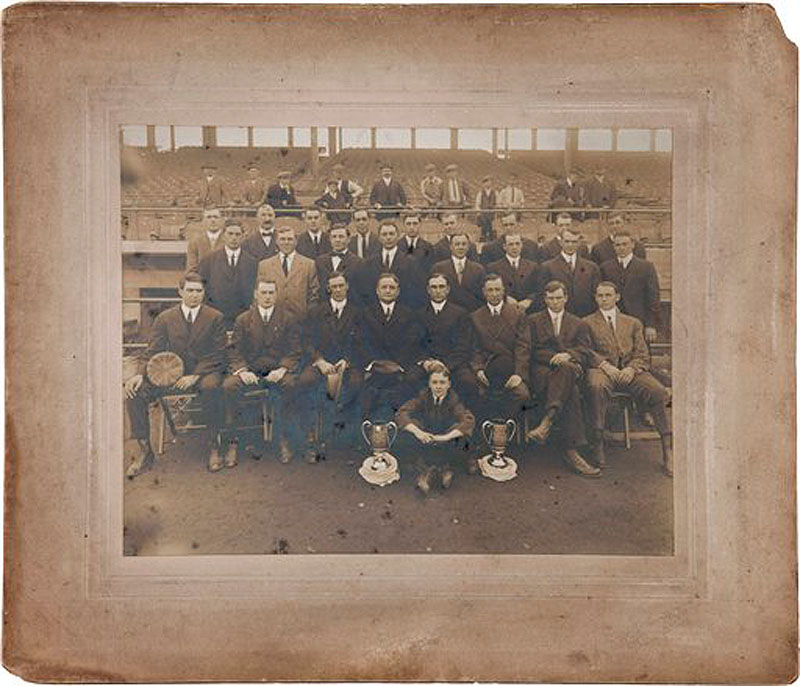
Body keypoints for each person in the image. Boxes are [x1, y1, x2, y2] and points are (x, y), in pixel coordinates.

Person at [123, 272, 227, 476]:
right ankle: (145, 451)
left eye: (199, 291)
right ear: (180, 291)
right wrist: (139, 375)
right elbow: (152, 350)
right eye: (190, 290)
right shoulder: (165, 318)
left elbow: (219, 354)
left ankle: (214, 446)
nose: (194, 295)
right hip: (171, 372)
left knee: (212, 387)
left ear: (204, 293)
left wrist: (195, 375)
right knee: (135, 391)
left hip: (205, 371)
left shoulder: (215, 317)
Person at [582, 281, 673, 475]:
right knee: (596, 386)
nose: (604, 299)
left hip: (630, 371)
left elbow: (642, 354)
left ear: (617, 297)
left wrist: (631, 369)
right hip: (602, 370)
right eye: (599, 296)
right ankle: (597, 444)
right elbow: (587, 351)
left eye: (608, 295)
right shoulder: (587, 322)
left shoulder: (632, 322)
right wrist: (605, 366)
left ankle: (667, 449)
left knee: (657, 391)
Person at [224, 279, 303, 465]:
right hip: (252, 372)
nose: (267, 297)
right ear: (256, 294)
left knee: (291, 384)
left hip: (277, 371)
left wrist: (283, 369)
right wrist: (242, 370)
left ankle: (284, 440)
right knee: (229, 386)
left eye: (271, 293)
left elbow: (295, 349)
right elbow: (234, 350)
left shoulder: (288, 318)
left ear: (276, 295)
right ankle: (233, 443)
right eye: (263, 293)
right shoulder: (243, 319)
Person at [526, 280, 600, 477]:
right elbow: (529, 349)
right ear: (544, 299)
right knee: (572, 392)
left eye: (559, 298)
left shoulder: (578, 323)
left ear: (566, 298)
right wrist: (552, 358)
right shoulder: (533, 320)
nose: (555, 302)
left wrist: (568, 355)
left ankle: (547, 423)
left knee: (567, 368)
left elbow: (585, 351)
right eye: (550, 298)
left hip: (570, 369)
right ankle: (571, 451)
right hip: (543, 372)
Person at [295, 271, 364, 458]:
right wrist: (319, 360)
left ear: (347, 286)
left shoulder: (357, 312)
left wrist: (347, 360)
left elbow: (361, 341)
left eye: (341, 285)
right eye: (334, 286)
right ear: (328, 289)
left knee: (358, 384)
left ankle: (348, 437)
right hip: (321, 361)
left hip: (347, 363)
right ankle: (310, 436)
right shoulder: (316, 312)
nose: (338, 290)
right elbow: (307, 340)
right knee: (304, 381)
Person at [396, 365, 475, 495]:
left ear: (449, 384)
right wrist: (418, 432)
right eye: (435, 382)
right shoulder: (423, 397)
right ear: (429, 384)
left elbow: (468, 420)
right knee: (411, 426)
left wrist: (445, 437)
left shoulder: (453, 400)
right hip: (425, 439)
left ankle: (442, 469)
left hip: (444, 441)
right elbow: (401, 413)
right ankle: (429, 471)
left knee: (460, 433)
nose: (438, 386)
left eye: (442, 382)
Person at [360, 273, 423, 420]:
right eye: (384, 287)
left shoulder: (409, 314)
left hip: (399, 367)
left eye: (392, 287)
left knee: (406, 388)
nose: (388, 291)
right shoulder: (366, 313)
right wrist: (375, 363)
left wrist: (397, 364)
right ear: (377, 290)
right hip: (374, 367)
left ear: (398, 291)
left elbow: (412, 343)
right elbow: (361, 341)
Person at [469, 274, 531, 421]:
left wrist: (518, 374)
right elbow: (474, 348)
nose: (494, 294)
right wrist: (478, 370)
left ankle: (506, 430)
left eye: (498, 289)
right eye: (490, 290)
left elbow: (523, 347)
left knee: (522, 394)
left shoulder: (517, 314)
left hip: (511, 370)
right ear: (484, 292)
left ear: (503, 291)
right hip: (487, 370)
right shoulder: (475, 317)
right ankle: (488, 434)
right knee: (476, 392)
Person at [416, 272, 480, 410]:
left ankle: (468, 427)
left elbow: (463, 346)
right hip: (428, 363)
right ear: (428, 290)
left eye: (441, 287)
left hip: (453, 363)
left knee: (469, 383)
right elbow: (415, 343)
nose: (438, 291)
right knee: (410, 380)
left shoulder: (460, 313)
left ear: (448, 289)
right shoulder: (419, 313)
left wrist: (446, 365)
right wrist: (426, 362)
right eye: (434, 287)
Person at [599, 230, 662, 343]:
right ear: (613, 246)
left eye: (625, 244)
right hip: (614, 320)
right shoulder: (605, 267)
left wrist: (650, 324)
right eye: (618, 245)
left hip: (639, 320)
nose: (621, 248)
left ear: (632, 245)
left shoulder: (646, 267)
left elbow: (653, 297)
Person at [196, 219, 258, 329]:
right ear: (223, 236)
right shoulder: (209, 261)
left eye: (238, 234)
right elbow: (203, 289)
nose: (234, 238)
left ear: (243, 237)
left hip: (243, 319)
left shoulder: (252, 262)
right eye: (230, 234)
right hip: (216, 318)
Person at [354, 220, 423, 308]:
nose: (388, 237)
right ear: (379, 237)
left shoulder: (410, 262)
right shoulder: (369, 262)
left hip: (402, 312)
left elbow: (415, 290)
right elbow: (366, 289)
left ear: (398, 236)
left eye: (391, 234)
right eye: (384, 234)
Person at [256, 225, 320, 318]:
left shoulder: (309, 264)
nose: (286, 242)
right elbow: (259, 294)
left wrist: (307, 313)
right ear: (277, 242)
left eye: (289, 239)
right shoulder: (265, 265)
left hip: (300, 319)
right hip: (274, 319)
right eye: (282, 239)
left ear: (295, 241)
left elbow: (314, 293)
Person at [537, 223, 600, 317]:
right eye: (567, 241)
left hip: (585, 317)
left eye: (574, 242)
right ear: (561, 242)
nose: (570, 245)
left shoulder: (591, 268)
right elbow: (542, 296)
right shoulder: (547, 267)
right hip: (559, 317)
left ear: (579, 243)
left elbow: (596, 295)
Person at [431, 232, 486, 312]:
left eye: (464, 244)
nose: (461, 247)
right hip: (447, 314)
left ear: (468, 247)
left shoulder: (478, 269)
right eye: (457, 244)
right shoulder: (439, 268)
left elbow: (482, 295)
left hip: (472, 313)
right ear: (450, 247)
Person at [486, 232, 539, 314]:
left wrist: (529, 300)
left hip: (528, 310)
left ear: (522, 246)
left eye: (517, 244)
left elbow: (538, 288)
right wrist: (505, 298)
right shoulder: (493, 267)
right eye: (511, 244)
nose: (514, 247)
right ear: (504, 247)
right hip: (504, 311)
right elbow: (490, 289)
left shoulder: (533, 266)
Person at [315, 224, 362, 288]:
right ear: (330, 239)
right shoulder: (320, 261)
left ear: (348, 239)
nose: (337, 240)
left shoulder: (358, 262)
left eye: (341, 236)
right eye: (334, 237)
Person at [186, 207, 224, 271]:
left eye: (216, 217)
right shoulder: (195, 242)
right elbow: (191, 268)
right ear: (203, 221)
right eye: (209, 217)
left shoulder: (230, 240)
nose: (213, 220)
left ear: (222, 220)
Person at [474, 175, 498, 242]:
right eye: (486, 182)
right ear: (483, 184)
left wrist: (495, 210)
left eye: (489, 181)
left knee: (491, 226)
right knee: (484, 225)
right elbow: (477, 204)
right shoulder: (480, 193)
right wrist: (478, 212)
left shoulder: (495, 192)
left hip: (492, 213)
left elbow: (497, 203)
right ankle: (483, 237)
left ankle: (491, 238)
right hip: (483, 213)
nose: (488, 183)